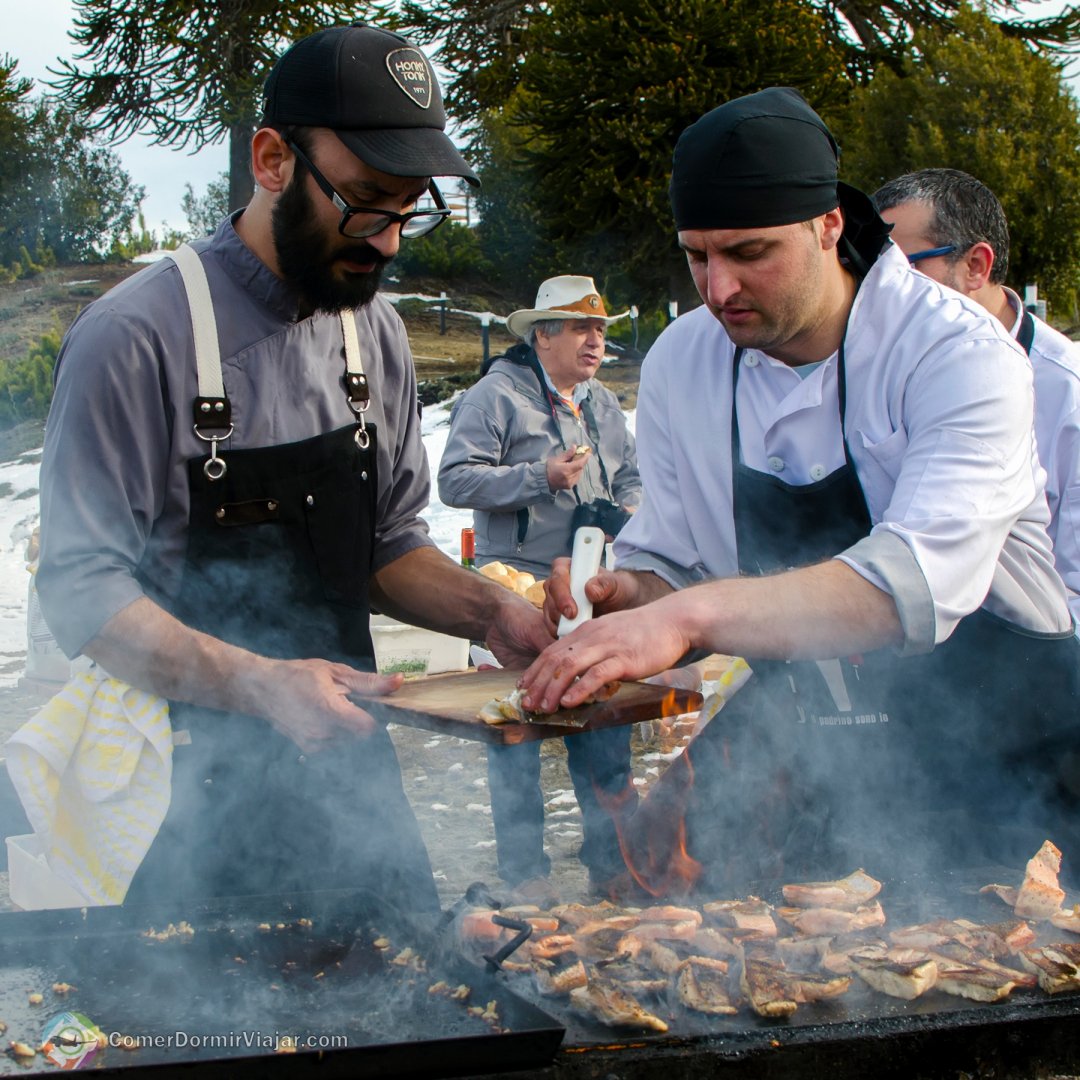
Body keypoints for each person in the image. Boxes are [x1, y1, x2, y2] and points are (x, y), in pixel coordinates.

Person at [32, 22, 549, 909]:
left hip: (353, 791)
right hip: (183, 803)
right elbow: (81, 588)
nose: (387, 241)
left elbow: (384, 542)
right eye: (364, 201)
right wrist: (263, 686)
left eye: (407, 208)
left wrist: (489, 607)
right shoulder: (134, 338)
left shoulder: (374, 333)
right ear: (272, 160)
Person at [519, 88, 1080, 892]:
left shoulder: (957, 353)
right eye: (697, 256)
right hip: (823, 732)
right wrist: (627, 597)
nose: (717, 289)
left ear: (830, 227)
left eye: (749, 253)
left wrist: (684, 617)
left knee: (980, 967)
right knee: (692, 915)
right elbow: (679, 559)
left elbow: (910, 585)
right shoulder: (686, 360)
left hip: (1005, 746)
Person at [438, 275, 642, 901]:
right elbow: (454, 482)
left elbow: (629, 476)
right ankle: (526, 878)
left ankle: (615, 869)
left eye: (602, 329)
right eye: (581, 327)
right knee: (515, 738)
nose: (596, 340)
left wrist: (632, 514)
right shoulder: (495, 396)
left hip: (590, 587)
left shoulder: (602, 401)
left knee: (603, 727)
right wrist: (539, 477)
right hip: (514, 589)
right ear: (542, 334)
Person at [872, 168, 1080, 628]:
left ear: (976, 266)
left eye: (903, 271)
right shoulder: (879, 370)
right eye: (868, 271)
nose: (878, 292)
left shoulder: (1068, 389)